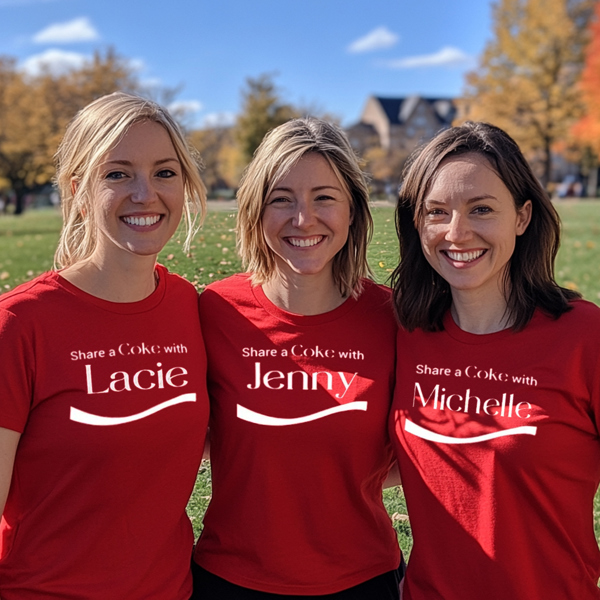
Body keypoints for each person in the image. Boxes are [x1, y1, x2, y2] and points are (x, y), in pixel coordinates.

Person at [0, 92, 210, 599]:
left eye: (165, 172)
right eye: (117, 174)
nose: (146, 193)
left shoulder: (190, 307)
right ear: (77, 189)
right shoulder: (19, 323)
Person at [192, 117, 402, 599]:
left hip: (363, 579)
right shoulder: (215, 311)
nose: (302, 218)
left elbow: (418, 451)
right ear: (254, 211)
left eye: (324, 198)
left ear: (352, 210)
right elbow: (185, 430)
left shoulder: (392, 318)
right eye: (281, 199)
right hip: (230, 579)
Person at [390, 121, 600, 599]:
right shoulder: (404, 333)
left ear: (522, 217)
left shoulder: (585, 337)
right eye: (436, 212)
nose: (456, 233)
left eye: (481, 209)